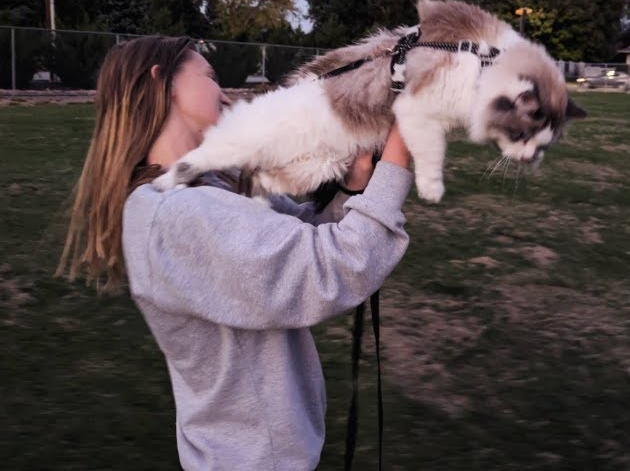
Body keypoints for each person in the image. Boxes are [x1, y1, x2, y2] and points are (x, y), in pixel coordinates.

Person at [60, 35, 414, 470]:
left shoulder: (203, 191)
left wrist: (352, 186)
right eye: (209, 76)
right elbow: (333, 266)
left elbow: (300, 237)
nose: (224, 92)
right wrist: (402, 147)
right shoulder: (177, 215)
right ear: (162, 81)